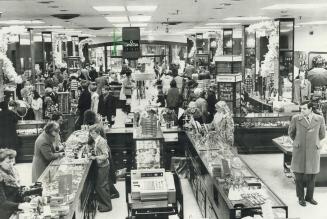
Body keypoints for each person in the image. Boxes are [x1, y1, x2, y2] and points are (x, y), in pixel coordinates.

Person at [288, 101, 326, 206]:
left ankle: (309, 197)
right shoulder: (296, 118)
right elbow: (291, 133)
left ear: (310, 109)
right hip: (299, 150)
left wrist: (316, 143)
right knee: (298, 176)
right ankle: (300, 198)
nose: (302, 111)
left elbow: (322, 134)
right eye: (301, 109)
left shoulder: (319, 119)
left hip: (313, 151)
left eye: (304, 108)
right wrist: (297, 142)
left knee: (312, 176)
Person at [0, 149, 31, 219]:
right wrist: (20, 206)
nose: (11, 165)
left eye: (12, 162)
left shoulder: (12, 172)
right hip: (4, 213)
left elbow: (16, 193)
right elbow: (2, 203)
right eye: (8, 162)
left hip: (13, 209)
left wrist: (28, 197)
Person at [88, 124, 112, 212]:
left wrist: (95, 157)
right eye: (90, 133)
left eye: (93, 133)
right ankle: (105, 204)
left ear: (98, 133)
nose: (91, 135)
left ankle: (107, 206)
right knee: (104, 185)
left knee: (100, 186)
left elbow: (106, 155)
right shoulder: (97, 140)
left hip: (103, 166)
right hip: (102, 165)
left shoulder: (101, 141)